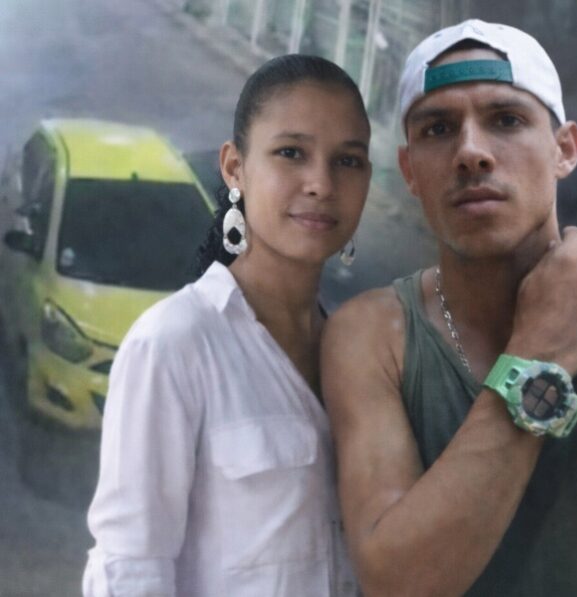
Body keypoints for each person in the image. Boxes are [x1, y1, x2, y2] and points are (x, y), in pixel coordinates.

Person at [321, 19, 577, 597]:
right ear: (411, 170)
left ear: (564, 149)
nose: (471, 152)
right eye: (438, 128)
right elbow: (399, 582)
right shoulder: (374, 335)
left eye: (506, 120)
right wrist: (539, 355)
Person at [82, 54, 372, 596]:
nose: (321, 183)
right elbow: (130, 567)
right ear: (235, 167)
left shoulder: (360, 349)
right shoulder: (174, 343)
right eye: (292, 153)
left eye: (348, 160)